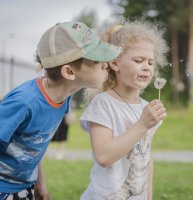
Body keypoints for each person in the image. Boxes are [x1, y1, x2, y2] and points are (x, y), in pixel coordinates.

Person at [0, 21, 122, 200]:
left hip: (24, 185)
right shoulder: (24, 102)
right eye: (97, 61)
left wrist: (40, 182)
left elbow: (34, 143)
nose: (106, 65)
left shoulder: (62, 97)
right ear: (69, 72)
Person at [80, 18, 169, 200]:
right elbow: (103, 157)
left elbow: (146, 158)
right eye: (138, 60)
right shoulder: (103, 103)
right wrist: (142, 124)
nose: (146, 67)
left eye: (151, 63)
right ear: (114, 63)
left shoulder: (145, 107)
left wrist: (148, 196)